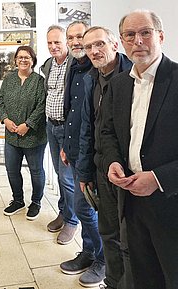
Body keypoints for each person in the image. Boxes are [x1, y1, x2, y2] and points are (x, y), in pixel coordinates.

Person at [100, 10, 178, 289]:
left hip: (171, 202)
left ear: (160, 36)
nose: (138, 41)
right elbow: (108, 132)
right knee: (143, 274)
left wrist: (158, 178)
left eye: (145, 32)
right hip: (131, 200)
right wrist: (112, 162)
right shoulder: (120, 84)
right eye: (130, 35)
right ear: (121, 41)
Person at [78, 27, 133, 289]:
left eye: (99, 44)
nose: (94, 51)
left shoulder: (133, 76)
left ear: (114, 44)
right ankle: (112, 282)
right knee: (108, 232)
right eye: (89, 47)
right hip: (102, 168)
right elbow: (89, 128)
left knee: (130, 238)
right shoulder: (93, 78)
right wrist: (85, 171)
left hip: (130, 173)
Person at [59, 21, 105, 288]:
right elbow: (72, 113)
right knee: (83, 206)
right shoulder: (74, 68)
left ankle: (102, 258)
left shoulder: (97, 70)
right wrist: (66, 144)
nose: (76, 42)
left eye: (81, 37)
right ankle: (88, 252)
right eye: (72, 38)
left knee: (85, 209)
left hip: (94, 155)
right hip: (75, 151)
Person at [0, 46, 47, 220]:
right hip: (11, 135)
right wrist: (5, 119)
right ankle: (18, 200)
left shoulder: (39, 81)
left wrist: (28, 124)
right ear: (15, 60)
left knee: (36, 170)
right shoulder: (8, 79)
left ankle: (36, 202)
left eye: (27, 57)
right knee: (12, 169)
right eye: (20, 57)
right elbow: (0, 100)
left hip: (34, 136)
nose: (23, 60)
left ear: (33, 60)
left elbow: (42, 106)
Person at [40, 25, 77, 244]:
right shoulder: (48, 65)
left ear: (66, 42)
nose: (53, 47)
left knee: (67, 177)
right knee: (58, 173)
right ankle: (64, 212)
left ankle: (72, 221)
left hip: (66, 128)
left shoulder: (75, 64)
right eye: (50, 43)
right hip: (51, 127)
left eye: (57, 42)